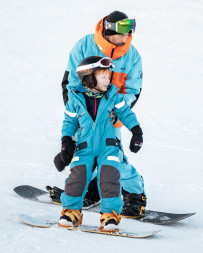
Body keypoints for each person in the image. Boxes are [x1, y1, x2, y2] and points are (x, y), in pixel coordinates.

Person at [53, 10, 146, 217]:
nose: (126, 38)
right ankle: (90, 191)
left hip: (113, 115)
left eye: (129, 33)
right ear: (108, 30)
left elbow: (134, 89)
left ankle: (135, 194)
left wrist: (118, 111)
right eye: (121, 34)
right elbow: (70, 82)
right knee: (83, 156)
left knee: (115, 161)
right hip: (85, 116)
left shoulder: (132, 55)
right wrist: (77, 113)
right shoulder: (85, 45)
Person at [57, 56, 143, 232]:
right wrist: (66, 141)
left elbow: (125, 113)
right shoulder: (75, 99)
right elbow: (69, 122)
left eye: (108, 76)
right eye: (103, 77)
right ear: (89, 78)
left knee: (109, 178)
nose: (108, 80)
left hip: (108, 146)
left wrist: (136, 131)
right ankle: (72, 211)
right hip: (85, 146)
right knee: (77, 177)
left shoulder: (113, 95)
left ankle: (110, 215)